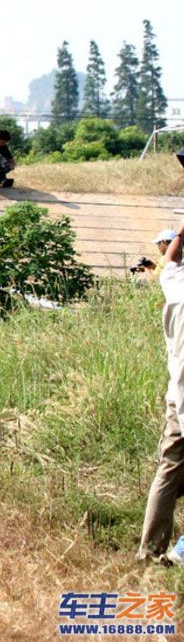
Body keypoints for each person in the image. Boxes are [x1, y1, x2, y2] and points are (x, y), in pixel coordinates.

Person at [137, 220, 184, 564]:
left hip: (177, 393)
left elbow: (171, 260)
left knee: (169, 471)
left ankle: (149, 551)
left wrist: (181, 233)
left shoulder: (173, 280)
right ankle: (181, 554)